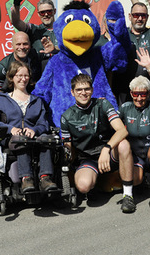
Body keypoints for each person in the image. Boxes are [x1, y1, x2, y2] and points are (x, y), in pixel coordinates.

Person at [60, 74, 133, 213]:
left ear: (92, 90)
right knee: (83, 186)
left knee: (124, 144)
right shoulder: (66, 117)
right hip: (88, 159)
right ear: (72, 92)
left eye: (87, 89)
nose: (83, 93)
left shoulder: (103, 104)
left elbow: (122, 131)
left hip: (109, 153)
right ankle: (97, 184)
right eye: (79, 90)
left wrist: (107, 148)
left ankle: (128, 195)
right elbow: (67, 146)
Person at [0, 61, 57, 192]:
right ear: (11, 77)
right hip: (11, 139)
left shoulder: (37, 101)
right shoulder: (1, 100)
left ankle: (45, 178)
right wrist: (10, 129)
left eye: (26, 75)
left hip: (34, 138)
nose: (23, 79)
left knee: (46, 138)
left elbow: (44, 123)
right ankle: (26, 179)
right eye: (19, 75)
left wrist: (34, 130)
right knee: (21, 139)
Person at [117, 48, 150, 208]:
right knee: (135, 180)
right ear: (131, 94)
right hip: (136, 156)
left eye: (143, 94)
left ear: (148, 94)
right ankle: (132, 190)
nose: (139, 98)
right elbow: (114, 127)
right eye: (135, 94)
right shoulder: (125, 107)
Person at [11, 0, 58, 69]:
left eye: (49, 11)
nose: (46, 14)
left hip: (60, 74)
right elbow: (16, 22)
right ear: (38, 14)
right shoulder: (34, 29)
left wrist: (55, 49)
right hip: (39, 76)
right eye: (42, 12)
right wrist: (16, 4)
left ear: (54, 11)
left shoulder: (64, 29)